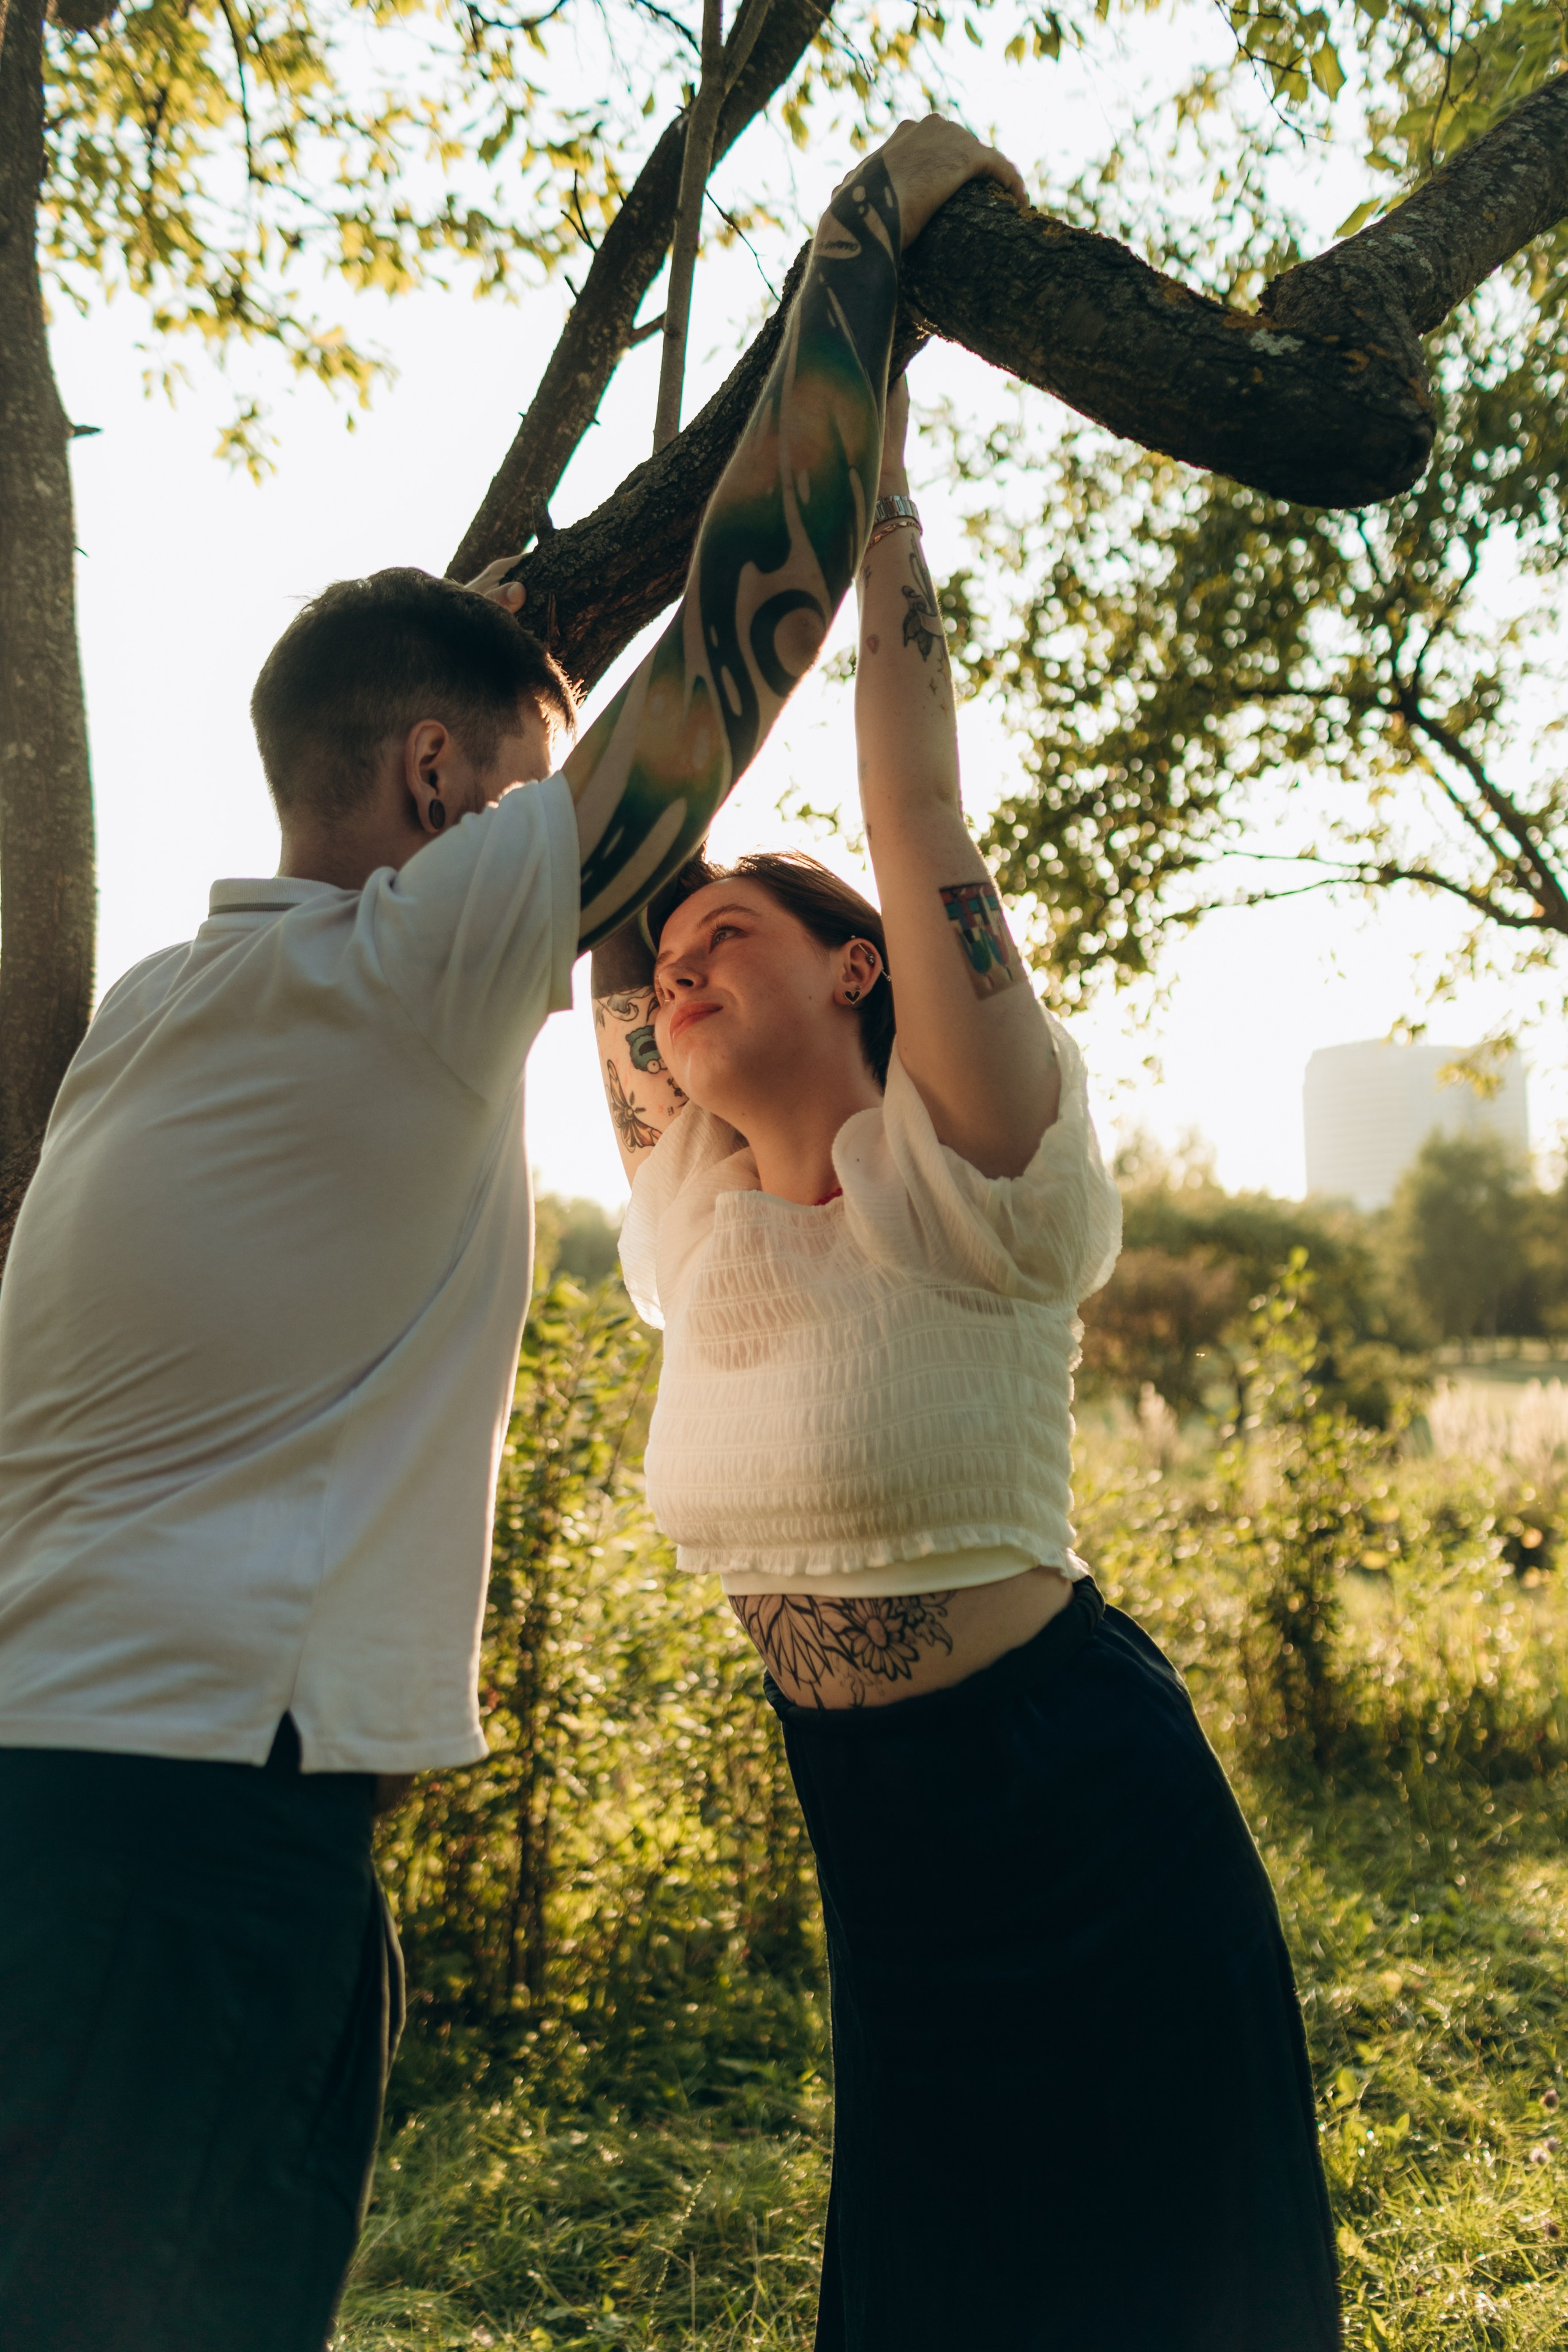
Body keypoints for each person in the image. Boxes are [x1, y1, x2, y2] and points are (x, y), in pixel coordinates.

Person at [0, 116, 1025, 2352]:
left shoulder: (161, 1014)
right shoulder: (397, 973)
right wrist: (866, 245)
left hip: (93, 1800)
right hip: (194, 1832)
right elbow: (740, 642)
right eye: (519, 798)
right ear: (445, 794)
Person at [587, 372, 1343, 2350]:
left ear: (859, 966)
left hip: (1076, 1803)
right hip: (878, 1839)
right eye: (671, 962)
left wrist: (875, 496)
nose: (679, 968)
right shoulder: (692, 1220)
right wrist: (603, 608)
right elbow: (605, 889)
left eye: (728, 935)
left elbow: (915, 811)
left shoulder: (968, 1158)